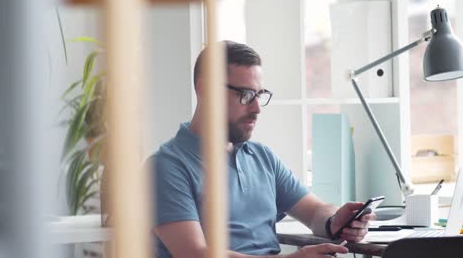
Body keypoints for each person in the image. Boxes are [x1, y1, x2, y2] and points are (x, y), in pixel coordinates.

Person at [150, 40, 375, 258]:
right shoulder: (166, 167)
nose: (257, 108)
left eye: (259, 95)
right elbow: (193, 254)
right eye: (245, 95)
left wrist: (337, 220)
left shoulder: (261, 157)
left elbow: (315, 211)